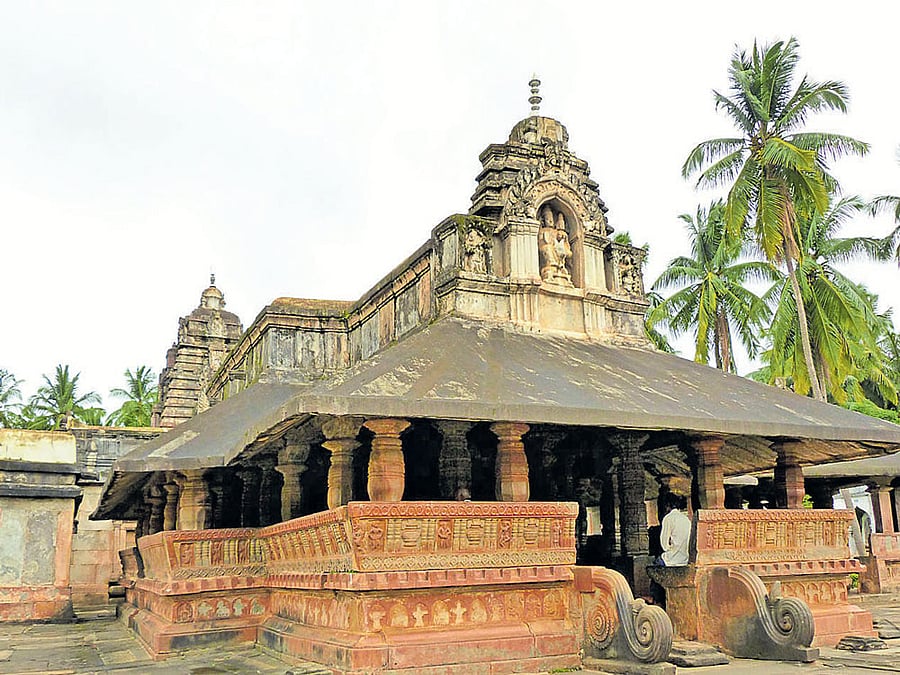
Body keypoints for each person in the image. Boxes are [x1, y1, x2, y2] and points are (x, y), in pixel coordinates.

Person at [659, 493, 691, 566]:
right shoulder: (686, 519)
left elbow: (664, 545)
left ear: (667, 505)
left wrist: (670, 548)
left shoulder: (668, 518)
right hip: (685, 558)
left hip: (671, 559)